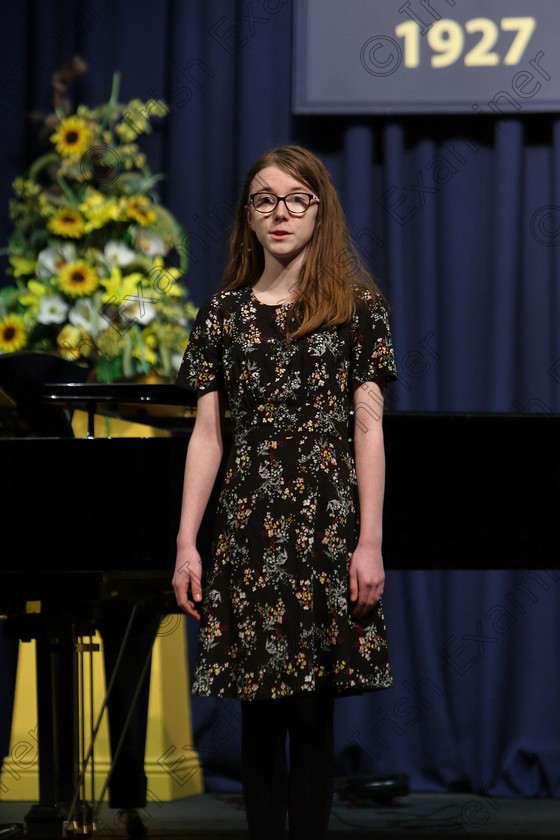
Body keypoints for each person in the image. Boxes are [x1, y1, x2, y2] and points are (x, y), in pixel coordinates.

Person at [172, 145, 397, 840]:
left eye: (297, 198)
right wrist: (186, 542)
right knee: (259, 714)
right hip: (248, 529)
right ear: (248, 214)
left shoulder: (355, 311)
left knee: (311, 714)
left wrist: (370, 541)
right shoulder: (222, 316)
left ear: (319, 210)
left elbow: (368, 431)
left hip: (327, 530)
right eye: (265, 199)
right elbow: (208, 437)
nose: (280, 212)